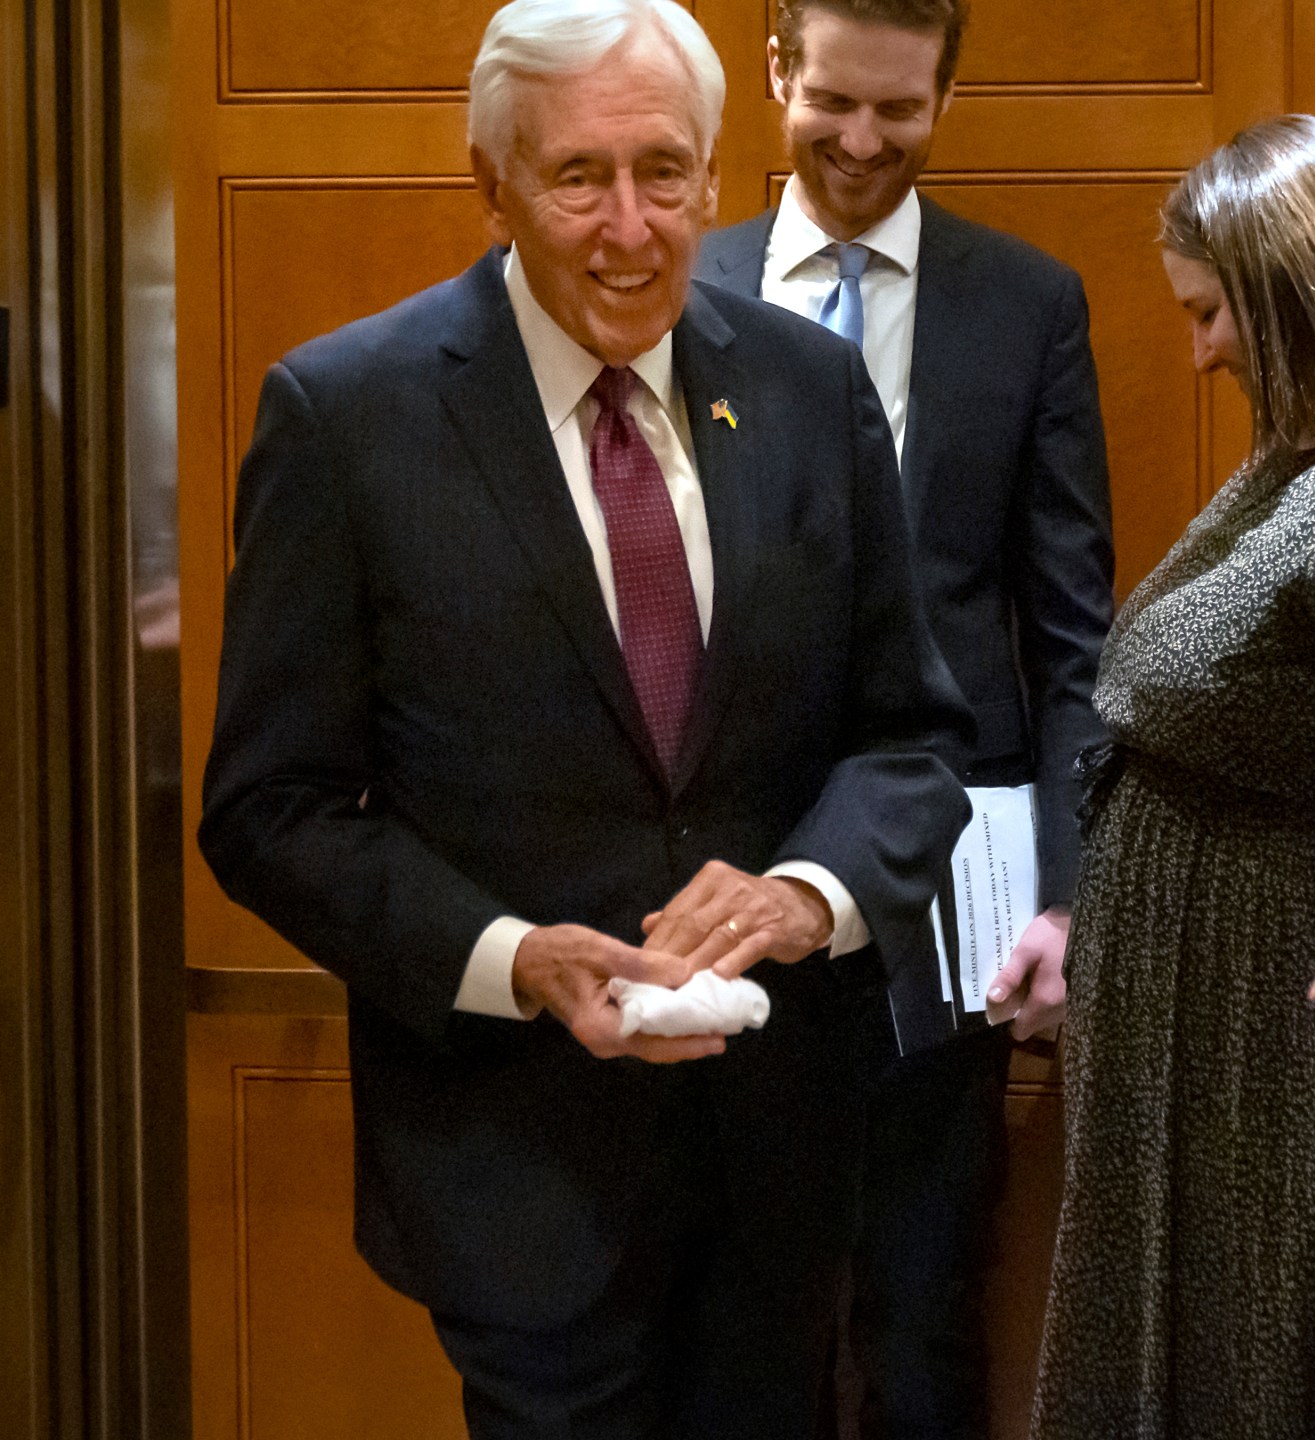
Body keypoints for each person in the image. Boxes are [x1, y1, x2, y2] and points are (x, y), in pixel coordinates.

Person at [194, 2, 973, 1435]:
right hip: (514, 1161)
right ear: (490, 179)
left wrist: (807, 896)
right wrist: (514, 958)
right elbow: (269, 811)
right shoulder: (347, 416)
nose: (632, 227)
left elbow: (910, 738)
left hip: (779, 1153)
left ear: (719, 174)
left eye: (666, 173)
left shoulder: (807, 389)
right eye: (579, 178)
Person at [1031, 114, 1315, 1440]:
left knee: (1273, 1367)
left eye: (1215, 311)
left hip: (1274, 1035)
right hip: (1213, 1021)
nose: (1201, 348)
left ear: (1296, 298)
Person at [695, 2, 1114, 1433]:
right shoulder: (675, 289)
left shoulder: (1028, 303)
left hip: (954, 895)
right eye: (833, 105)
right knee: (746, 1315)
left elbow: (1069, 637)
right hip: (725, 878)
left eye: (901, 111)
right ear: (773, 75)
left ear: (947, 92)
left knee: (926, 1304)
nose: (862, 143)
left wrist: (1065, 897)